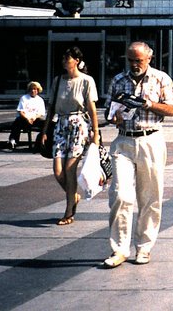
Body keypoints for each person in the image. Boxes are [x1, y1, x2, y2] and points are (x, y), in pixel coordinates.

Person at [103, 41, 173, 268]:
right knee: (120, 195)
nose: (135, 64)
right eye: (131, 60)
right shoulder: (118, 80)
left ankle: (144, 248)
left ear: (149, 58)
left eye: (139, 60)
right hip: (124, 141)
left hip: (150, 139)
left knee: (150, 197)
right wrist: (115, 115)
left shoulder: (161, 79)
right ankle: (119, 249)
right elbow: (108, 111)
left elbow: (171, 109)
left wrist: (148, 104)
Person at [40, 46, 100, 226]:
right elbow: (51, 107)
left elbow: (91, 108)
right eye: (64, 58)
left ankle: (68, 212)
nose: (65, 60)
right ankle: (73, 196)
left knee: (69, 170)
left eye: (68, 58)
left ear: (77, 61)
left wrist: (95, 132)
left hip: (78, 125)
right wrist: (44, 130)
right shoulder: (58, 81)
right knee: (58, 170)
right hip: (60, 125)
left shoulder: (86, 80)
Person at [6, 81, 47, 150]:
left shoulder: (40, 100)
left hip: (34, 119)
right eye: (31, 89)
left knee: (45, 123)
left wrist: (34, 117)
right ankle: (13, 140)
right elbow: (21, 111)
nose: (33, 91)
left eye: (34, 89)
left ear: (38, 90)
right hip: (24, 119)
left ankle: (41, 141)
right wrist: (27, 118)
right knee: (18, 121)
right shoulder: (24, 98)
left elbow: (40, 113)